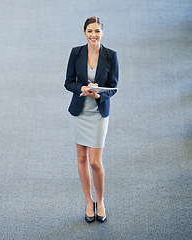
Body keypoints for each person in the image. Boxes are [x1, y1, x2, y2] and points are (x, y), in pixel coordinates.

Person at [64, 16, 119, 223]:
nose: (93, 35)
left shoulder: (111, 56)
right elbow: (68, 82)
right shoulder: (76, 53)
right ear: (84, 33)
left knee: (95, 162)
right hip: (80, 111)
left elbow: (113, 86)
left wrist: (99, 94)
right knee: (81, 158)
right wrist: (82, 88)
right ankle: (89, 201)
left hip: (98, 111)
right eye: (90, 31)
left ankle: (101, 200)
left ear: (102, 32)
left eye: (97, 31)